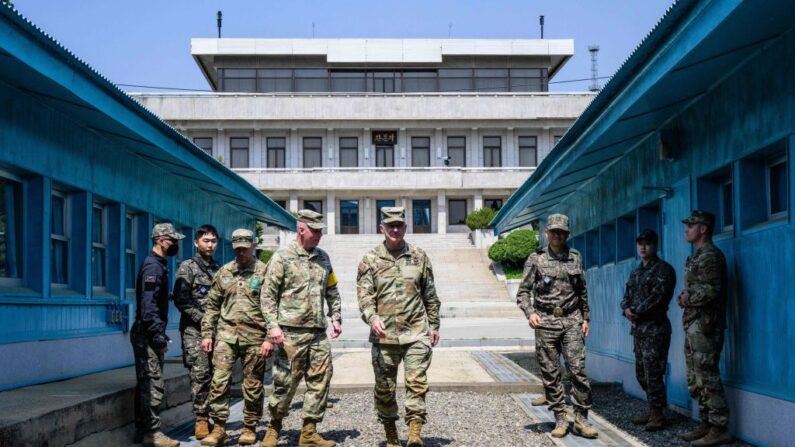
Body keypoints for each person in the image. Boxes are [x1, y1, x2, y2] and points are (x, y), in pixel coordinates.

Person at [356, 207, 441, 447]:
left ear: (405, 227)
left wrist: (433, 324)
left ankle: (414, 433)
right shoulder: (370, 259)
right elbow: (364, 297)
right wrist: (372, 318)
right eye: (390, 225)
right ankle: (391, 434)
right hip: (384, 337)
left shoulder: (419, 256)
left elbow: (430, 295)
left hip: (416, 333)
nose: (395, 229)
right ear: (381, 228)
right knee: (385, 388)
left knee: (417, 384)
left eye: (399, 225)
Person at [260, 210, 342, 447]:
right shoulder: (281, 257)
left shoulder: (323, 258)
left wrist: (335, 316)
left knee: (320, 381)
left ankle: (308, 432)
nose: (319, 235)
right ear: (300, 228)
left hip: (317, 332)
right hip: (290, 333)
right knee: (285, 383)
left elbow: (332, 290)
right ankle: (273, 428)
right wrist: (272, 326)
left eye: (320, 231)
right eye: (314, 230)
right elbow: (267, 295)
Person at [516, 214, 598, 439]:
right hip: (545, 322)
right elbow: (523, 292)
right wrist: (530, 313)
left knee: (577, 370)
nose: (557, 235)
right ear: (546, 233)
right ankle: (560, 418)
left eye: (561, 232)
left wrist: (586, 318)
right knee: (551, 373)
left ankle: (582, 419)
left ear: (567, 234)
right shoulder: (536, 259)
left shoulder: (575, 257)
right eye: (553, 231)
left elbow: (582, 290)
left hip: (572, 320)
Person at [199, 229, 271, 446]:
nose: (240, 252)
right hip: (226, 336)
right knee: (219, 382)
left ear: (253, 246)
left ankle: (249, 426)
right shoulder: (224, 272)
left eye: (244, 248)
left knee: (252, 384)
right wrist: (206, 334)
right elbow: (212, 307)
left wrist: (269, 338)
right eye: (237, 248)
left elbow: (273, 308)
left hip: (255, 338)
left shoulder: (264, 272)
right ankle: (219, 427)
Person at [677, 211, 731, 447]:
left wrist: (688, 299)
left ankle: (720, 427)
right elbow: (696, 289)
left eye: (691, 225)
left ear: (703, 229)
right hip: (694, 323)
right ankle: (707, 422)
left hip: (706, 326)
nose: (687, 229)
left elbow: (713, 290)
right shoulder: (697, 256)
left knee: (707, 375)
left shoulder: (711, 256)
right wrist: (685, 296)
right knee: (695, 377)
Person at [131, 223, 184, 447]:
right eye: (172, 240)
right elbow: (148, 305)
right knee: (152, 383)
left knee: (146, 381)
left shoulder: (159, 265)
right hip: (147, 332)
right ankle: (151, 434)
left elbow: (153, 298)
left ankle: (143, 430)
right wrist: (157, 335)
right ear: (161, 240)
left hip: (149, 330)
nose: (175, 245)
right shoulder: (153, 266)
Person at [620, 229, 676, 431]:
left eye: (648, 243)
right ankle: (652, 409)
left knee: (654, 373)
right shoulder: (636, 271)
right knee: (642, 374)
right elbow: (626, 295)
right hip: (639, 331)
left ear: (655, 245)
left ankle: (658, 414)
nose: (643, 247)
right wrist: (626, 309)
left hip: (655, 330)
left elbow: (658, 297)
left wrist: (635, 311)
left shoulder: (663, 270)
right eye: (640, 243)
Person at [173, 224, 221, 439]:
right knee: (200, 373)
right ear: (196, 243)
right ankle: (201, 419)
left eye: (213, 241)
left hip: (217, 332)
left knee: (217, 374)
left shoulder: (218, 269)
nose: (210, 245)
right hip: (195, 331)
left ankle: (214, 417)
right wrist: (204, 320)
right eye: (206, 241)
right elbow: (181, 300)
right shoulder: (188, 267)